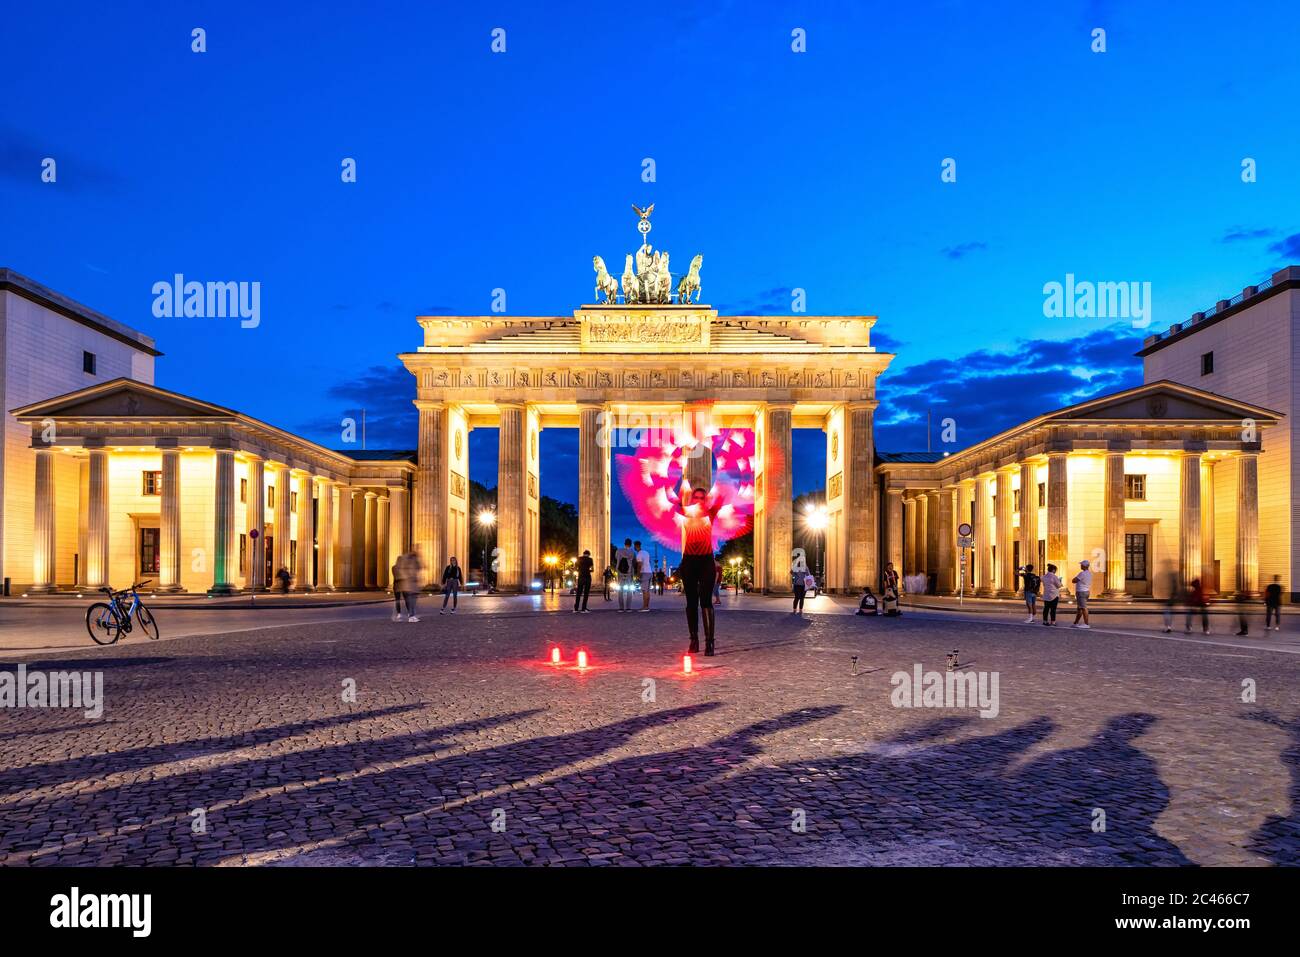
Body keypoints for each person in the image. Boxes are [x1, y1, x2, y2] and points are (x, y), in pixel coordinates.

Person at [675, 486, 722, 655]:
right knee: (691, 602)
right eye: (696, 497)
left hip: (706, 561)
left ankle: (710, 642)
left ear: (706, 500)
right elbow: (673, 502)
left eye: (702, 498)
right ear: (692, 499)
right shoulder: (685, 514)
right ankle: (693, 640)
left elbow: (722, 495)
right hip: (689, 561)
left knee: (706, 601)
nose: (699, 500)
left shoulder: (710, 513)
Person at [614, 538, 636, 612]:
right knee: (629, 589)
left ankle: (621, 608)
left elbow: (616, 558)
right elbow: (633, 561)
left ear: (624, 543)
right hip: (629, 572)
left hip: (620, 572)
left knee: (620, 589)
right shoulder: (632, 552)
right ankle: (628, 607)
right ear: (631, 544)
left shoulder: (619, 550)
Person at [1071, 559, 1092, 629]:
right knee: (1079, 608)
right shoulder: (1089, 573)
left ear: (1084, 566)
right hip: (1086, 591)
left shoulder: (1082, 573)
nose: (1080, 566)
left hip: (1081, 592)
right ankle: (1075, 623)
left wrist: (1074, 579)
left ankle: (1086, 624)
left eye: (1081, 565)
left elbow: (1074, 580)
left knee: (1083, 608)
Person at [574, 549, 594, 613]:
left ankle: (576, 609)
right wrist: (588, 570)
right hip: (587, 577)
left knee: (578, 593)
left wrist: (580, 570)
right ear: (588, 554)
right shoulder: (590, 559)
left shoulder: (578, 559)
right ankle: (583, 608)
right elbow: (592, 569)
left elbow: (575, 568)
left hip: (581, 577)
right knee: (586, 594)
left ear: (583, 553)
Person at [635, 540, 652, 611]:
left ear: (636, 546)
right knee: (647, 591)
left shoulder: (639, 554)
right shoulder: (646, 552)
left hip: (644, 572)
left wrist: (638, 575)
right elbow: (649, 561)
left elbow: (639, 565)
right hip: (650, 572)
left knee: (644, 591)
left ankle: (645, 607)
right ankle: (647, 606)